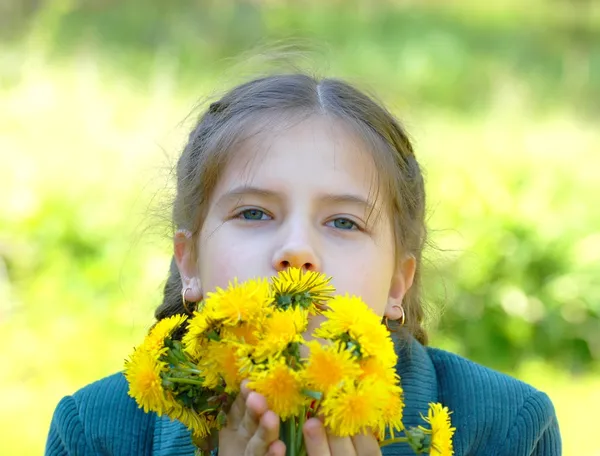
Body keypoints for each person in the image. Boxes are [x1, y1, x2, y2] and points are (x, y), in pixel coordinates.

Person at [45, 73, 561, 456]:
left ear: (397, 285)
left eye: (342, 222)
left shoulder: (511, 427)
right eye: (254, 213)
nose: (297, 250)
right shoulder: (92, 431)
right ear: (190, 261)